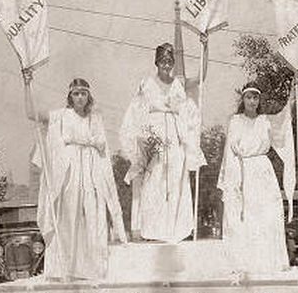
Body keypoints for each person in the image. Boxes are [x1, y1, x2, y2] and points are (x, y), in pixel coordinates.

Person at [27, 76, 127, 280]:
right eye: (76, 94)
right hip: (69, 172)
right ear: (70, 96)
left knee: (92, 216)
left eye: (83, 93)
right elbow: (31, 114)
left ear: (88, 96)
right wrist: (26, 85)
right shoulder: (61, 115)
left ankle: (91, 269)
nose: (80, 97)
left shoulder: (95, 118)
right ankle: (64, 269)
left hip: (91, 172)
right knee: (68, 218)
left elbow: (102, 150)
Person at [119, 43, 205, 243]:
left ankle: (177, 229)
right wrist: (142, 139)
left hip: (175, 137)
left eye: (169, 61)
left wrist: (205, 45)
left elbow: (202, 77)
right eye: (163, 61)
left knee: (176, 179)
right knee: (154, 181)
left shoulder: (179, 84)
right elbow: (136, 112)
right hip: (154, 138)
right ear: (156, 62)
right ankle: (154, 230)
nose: (166, 65)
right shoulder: (146, 84)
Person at [217, 84, 295, 272]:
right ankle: (246, 263)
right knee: (245, 217)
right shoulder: (235, 121)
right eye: (248, 97)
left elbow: (282, 123)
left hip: (262, 171)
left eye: (255, 98)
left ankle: (268, 262)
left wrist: (292, 98)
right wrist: (231, 181)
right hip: (242, 169)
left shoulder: (265, 120)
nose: (252, 101)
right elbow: (229, 152)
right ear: (243, 100)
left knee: (266, 214)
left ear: (259, 100)